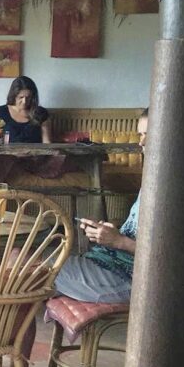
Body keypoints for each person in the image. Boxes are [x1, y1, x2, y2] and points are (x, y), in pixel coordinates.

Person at [52, 110, 148, 304]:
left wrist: (119, 241)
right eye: (141, 135)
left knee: (26, 272)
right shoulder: (155, 179)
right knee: (20, 262)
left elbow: (169, 260)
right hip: (107, 262)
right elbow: (138, 232)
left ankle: (3, 331)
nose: (142, 142)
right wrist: (110, 232)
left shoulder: (175, 193)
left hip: (128, 279)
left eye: (149, 135)